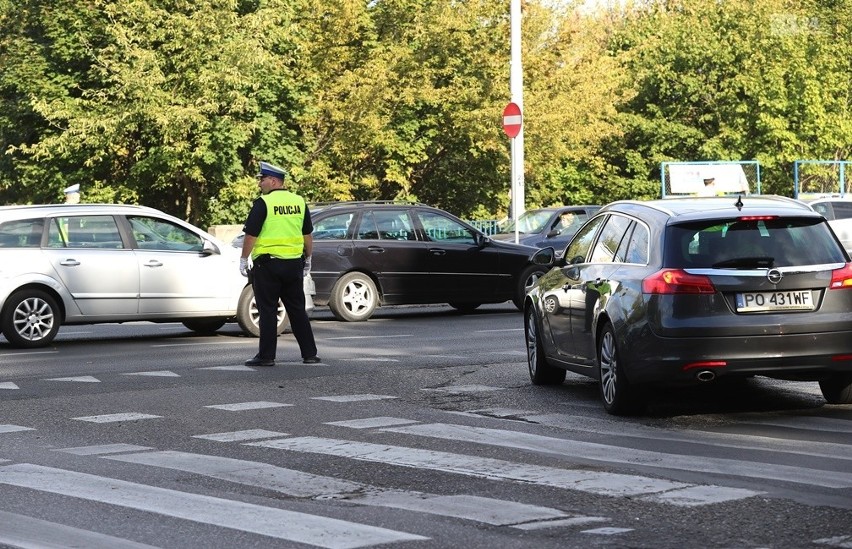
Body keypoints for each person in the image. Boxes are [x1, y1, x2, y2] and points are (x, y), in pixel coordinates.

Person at [239, 161, 320, 366]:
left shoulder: (263, 203)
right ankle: (310, 353)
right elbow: (307, 235)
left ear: (274, 181)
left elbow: (251, 235)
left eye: (262, 179)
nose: (260, 184)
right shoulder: (299, 202)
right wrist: (308, 258)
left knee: (267, 310)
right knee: (297, 309)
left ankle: (266, 356)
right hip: (294, 265)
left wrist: (243, 258)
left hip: (268, 266)